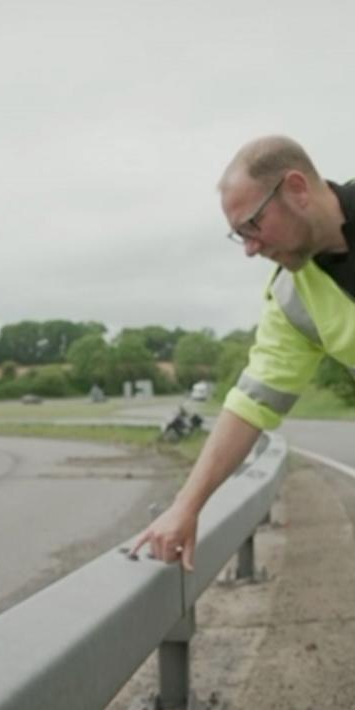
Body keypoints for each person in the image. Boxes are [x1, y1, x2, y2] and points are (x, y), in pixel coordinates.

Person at [130, 135, 355, 571]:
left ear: (296, 189)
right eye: (240, 237)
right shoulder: (293, 298)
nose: (251, 249)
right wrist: (186, 506)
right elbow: (252, 402)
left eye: (253, 225)